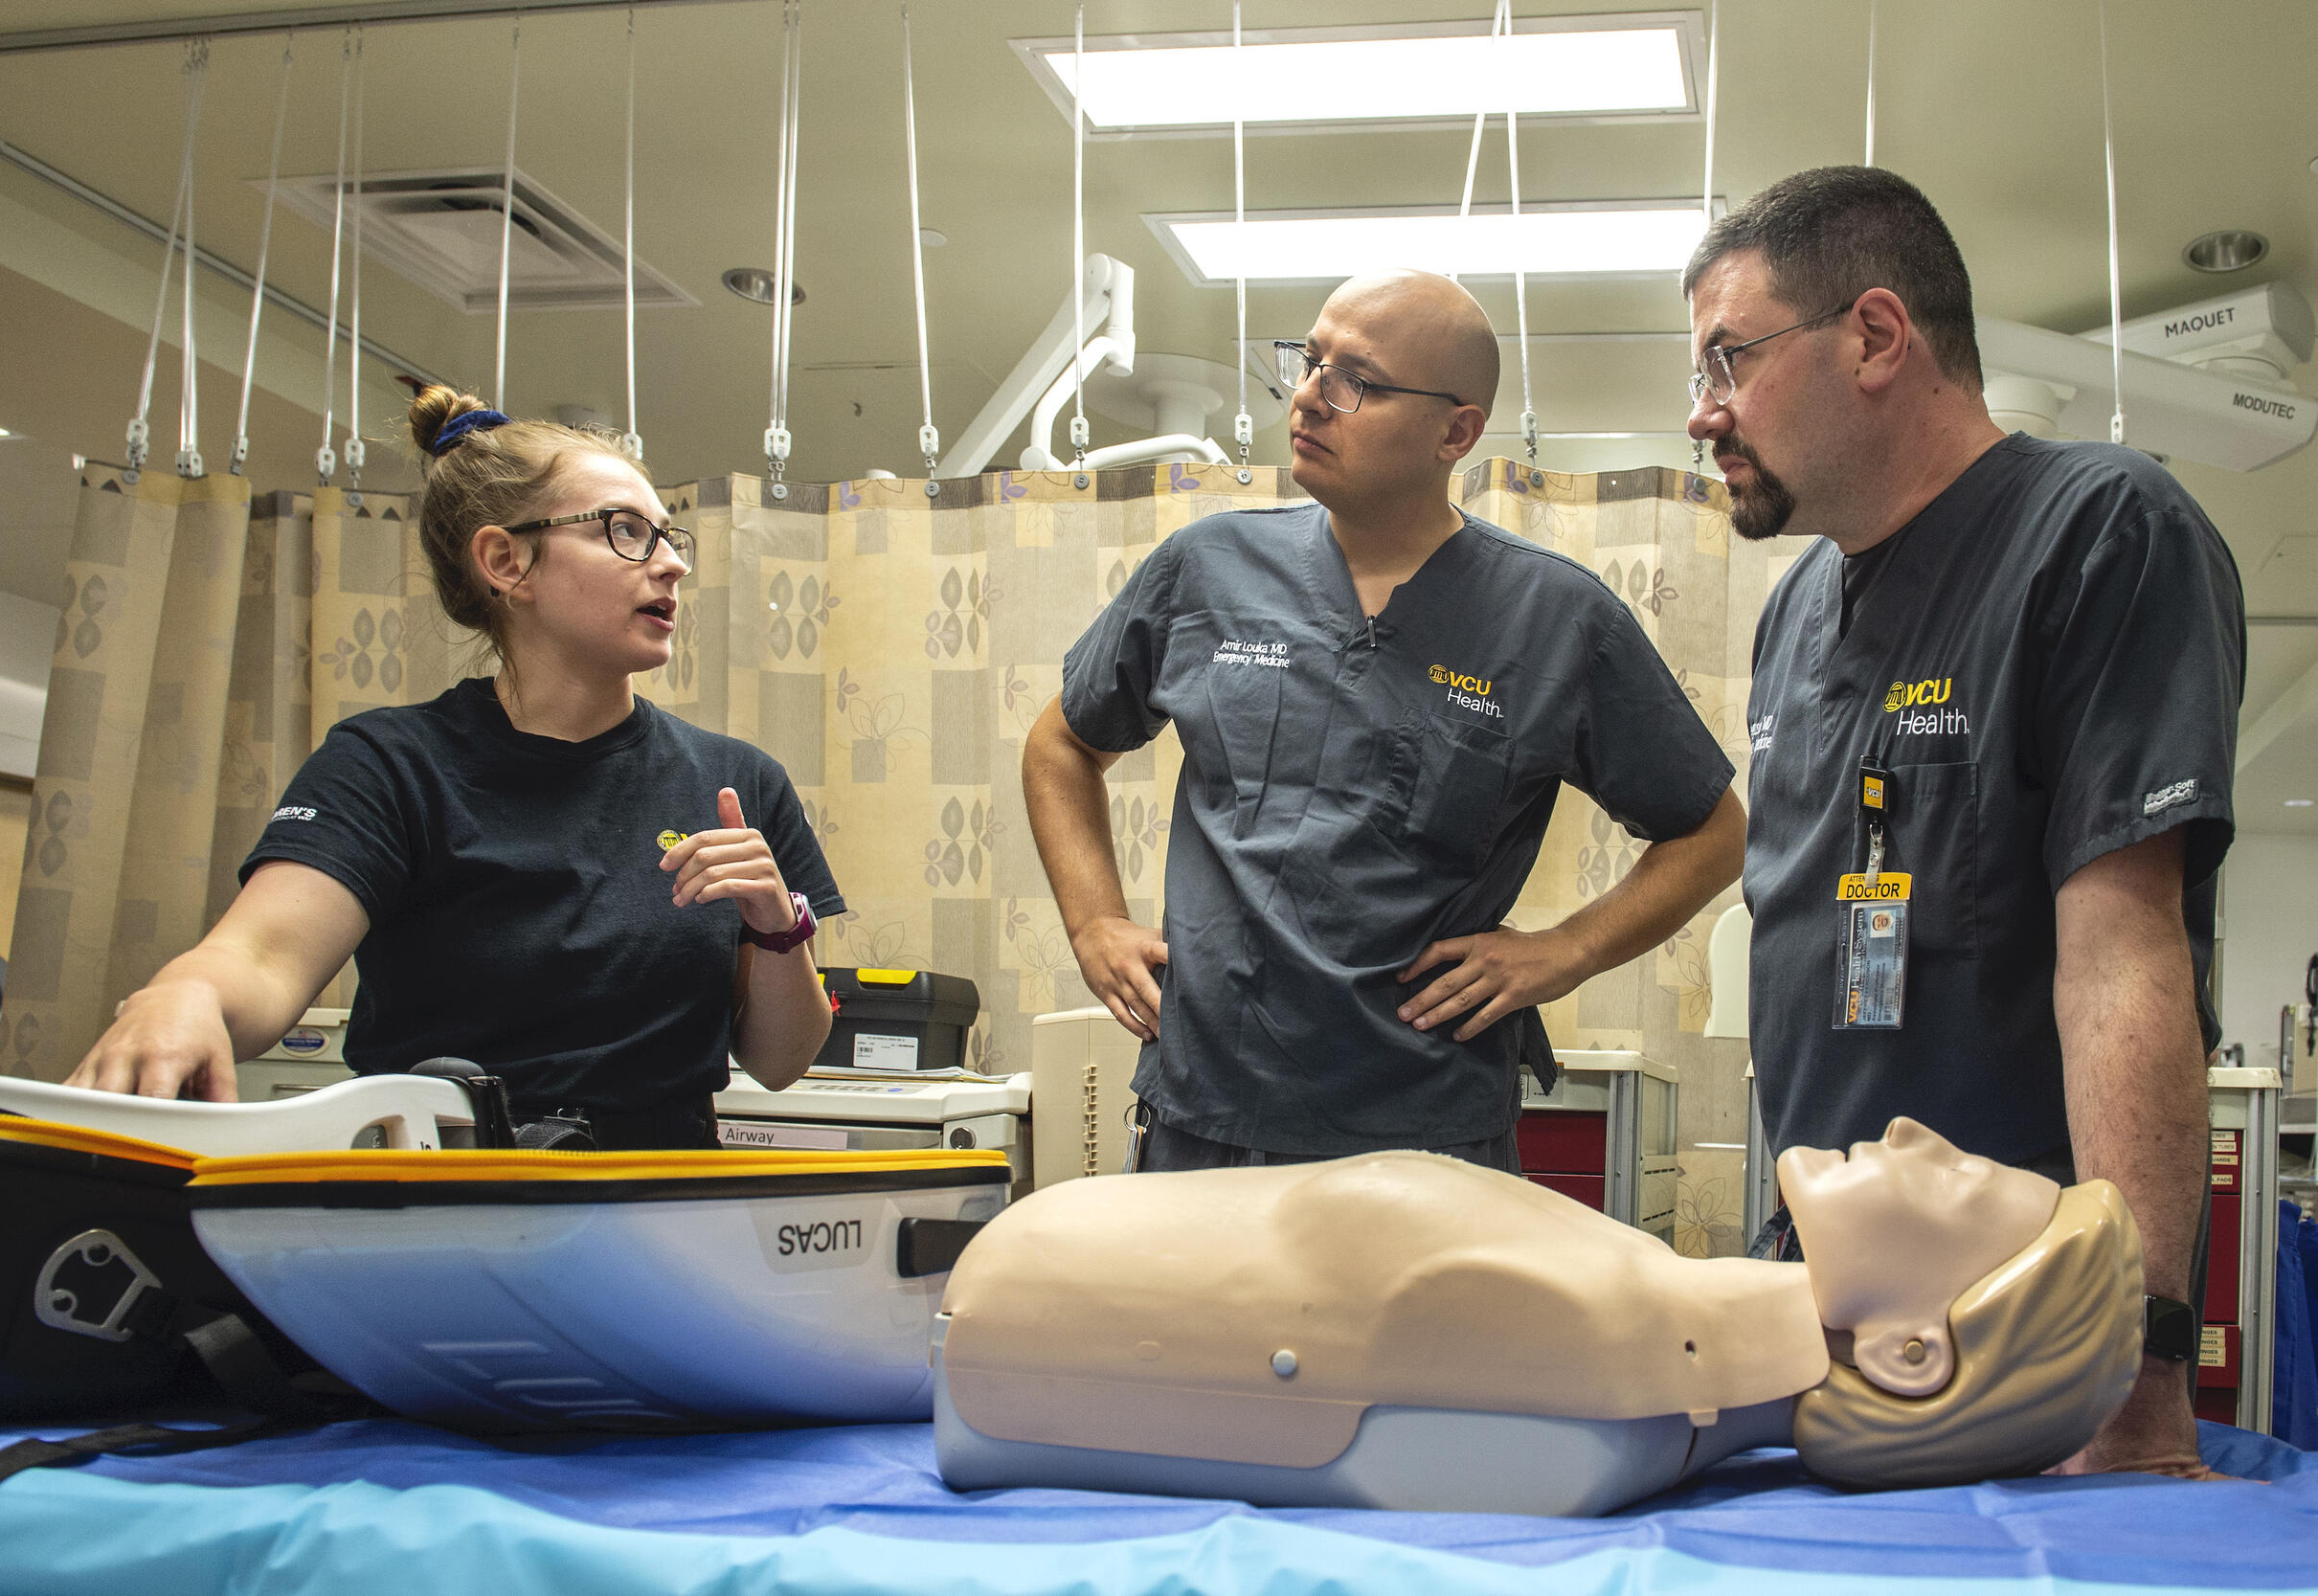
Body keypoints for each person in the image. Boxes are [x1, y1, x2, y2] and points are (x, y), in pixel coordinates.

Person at [1683, 166, 2243, 1475]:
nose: (1702, 411)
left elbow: (2126, 958)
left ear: (1875, 336)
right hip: (1823, 1312)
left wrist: (2132, 1362)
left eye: (1730, 358)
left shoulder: (2098, 531)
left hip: (2018, 1325)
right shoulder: (1795, 613)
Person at [1023, 269, 1745, 1173]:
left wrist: (1566, 952)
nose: (1309, 399)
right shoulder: (1205, 571)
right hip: (1208, 1114)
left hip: (1425, 1129)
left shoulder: (1554, 619)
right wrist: (1094, 923)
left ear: (1458, 431)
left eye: (1354, 381)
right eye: (1309, 361)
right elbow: (1062, 743)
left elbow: (1712, 830)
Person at [65, 388, 841, 1149]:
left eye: (670, 537)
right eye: (627, 531)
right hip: (445, 1206)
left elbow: (780, 1061)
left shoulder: (738, 782)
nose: (671, 565)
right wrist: (186, 991)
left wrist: (778, 927)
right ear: (507, 561)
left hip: (664, 1215)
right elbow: (261, 956)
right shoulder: (389, 767)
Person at [937, 1116, 2144, 1513]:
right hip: (1018, 1297)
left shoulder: (1612, 1375)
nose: (1914, 1134)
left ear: (1908, 1350)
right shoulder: (1631, 1348)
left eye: (1960, 1176)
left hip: (1009, 1310)